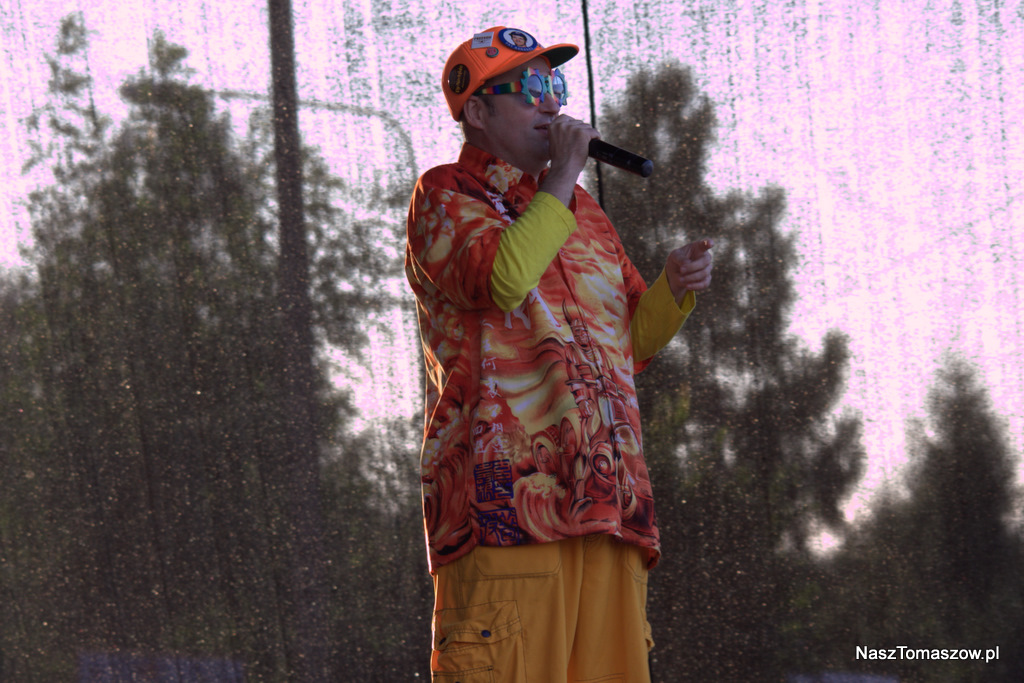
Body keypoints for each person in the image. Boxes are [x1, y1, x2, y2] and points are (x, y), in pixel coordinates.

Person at [405, 25, 713, 682]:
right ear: (478, 111)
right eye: (530, 87)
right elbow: (503, 279)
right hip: (505, 511)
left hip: (612, 511)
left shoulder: (583, 211)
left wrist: (673, 288)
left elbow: (629, 346)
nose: (551, 101)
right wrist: (566, 174)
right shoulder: (445, 195)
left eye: (556, 84)